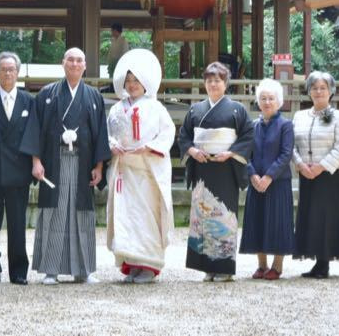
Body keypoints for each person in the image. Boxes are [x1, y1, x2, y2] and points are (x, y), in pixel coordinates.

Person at [24, 47, 110, 285]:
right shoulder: (47, 94)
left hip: (83, 164)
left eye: (79, 60)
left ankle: (84, 270)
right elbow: (34, 128)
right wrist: (36, 161)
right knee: (54, 214)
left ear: (85, 65)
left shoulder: (94, 96)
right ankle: (50, 269)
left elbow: (101, 133)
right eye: (70, 60)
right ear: (63, 63)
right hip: (53, 162)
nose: (74, 64)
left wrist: (100, 166)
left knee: (82, 215)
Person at [179, 61, 254, 282]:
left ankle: (223, 267)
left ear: (226, 83)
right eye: (209, 80)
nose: (213, 84)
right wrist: (192, 150)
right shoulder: (195, 109)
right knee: (202, 217)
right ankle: (206, 266)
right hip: (202, 168)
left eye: (218, 80)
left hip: (225, 169)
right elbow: (184, 135)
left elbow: (248, 136)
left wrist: (230, 153)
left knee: (223, 217)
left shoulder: (237, 109)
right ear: (204, 83)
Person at [105, 49, 175, 283]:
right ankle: (131, 263)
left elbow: (167, 134)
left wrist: (149, 148)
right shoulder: (116, 109)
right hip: (123, 168)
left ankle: (148, 265)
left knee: (145, 216)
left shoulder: (156, 108)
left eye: (137, 80)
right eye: (129, 80)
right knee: (125, 217)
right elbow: (108, 134)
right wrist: (112, 145)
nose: (132, 84)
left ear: (146, 83)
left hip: (147, 170)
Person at [0, 51, 39, 285]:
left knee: (17, 224)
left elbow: (34, 135)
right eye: (3, 69)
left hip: (18, 170)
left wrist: (35, 162)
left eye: (11, 69)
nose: (7, 73)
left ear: (18, 72)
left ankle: (19, 271)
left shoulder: (29, 101)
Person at [292, 71, 339, 279]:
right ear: (308, 91)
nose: (318, 91)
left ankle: (324, 262)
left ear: (331, 91)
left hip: (328, 173)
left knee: (326, 215)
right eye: (314, 88)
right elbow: (292, 145)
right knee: (309, 214)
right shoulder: (299, 116)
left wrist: (321, 166)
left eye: (323, 88)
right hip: (306, 172)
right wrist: (300, 164)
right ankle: (314, 258)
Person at [239, 78, 295, 280]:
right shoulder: (252, 125)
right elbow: (246, 153)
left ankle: (277, 265)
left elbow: (286, 154)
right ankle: (261, 265)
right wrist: (253, 174)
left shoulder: (286, 125)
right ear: (258, 101)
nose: (267, 102)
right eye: (263, 98)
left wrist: (269, 176)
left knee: (278, 222)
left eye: (271, 98)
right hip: (256, 181)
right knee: (257, 222)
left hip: (278, 182)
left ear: (279, 101)